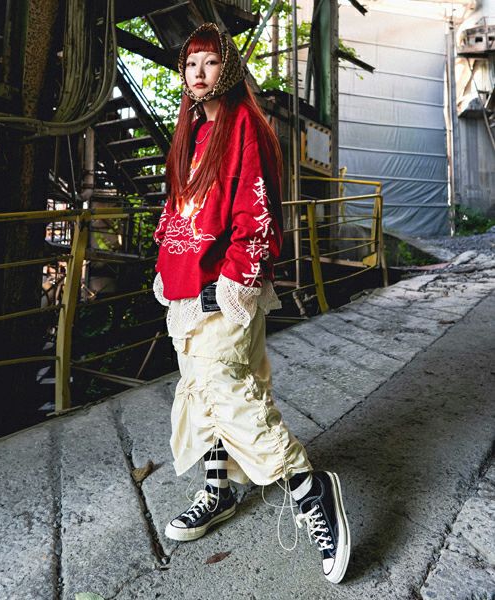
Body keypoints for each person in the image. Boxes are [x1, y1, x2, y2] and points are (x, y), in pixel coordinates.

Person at [152, 22, 350, 584]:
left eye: (210, 62)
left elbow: (255, 214)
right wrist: (164, 266)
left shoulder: (245, 128)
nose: (198, 73)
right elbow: (175, 206)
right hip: (186, 284)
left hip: (223, 286)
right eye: (190, 64)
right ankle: (218, 492)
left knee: (232, 394)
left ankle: (313, 492)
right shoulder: (191, 132)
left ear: (230, 69)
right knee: (203, 389)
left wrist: (233, 281)